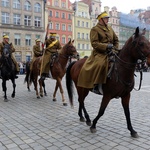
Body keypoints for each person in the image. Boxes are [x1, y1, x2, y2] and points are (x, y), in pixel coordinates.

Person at [77, 11, 119, 94]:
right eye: (106, 18)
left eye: (107, 18)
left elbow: (116, 40)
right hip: (100, 53)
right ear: (101, 20)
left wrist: (114, 49)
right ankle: (96, 84)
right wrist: (106, 46)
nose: (107, 20)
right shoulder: (95, 29)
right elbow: (94, 44)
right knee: (101, 64)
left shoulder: (110, 28)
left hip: (112, 51)